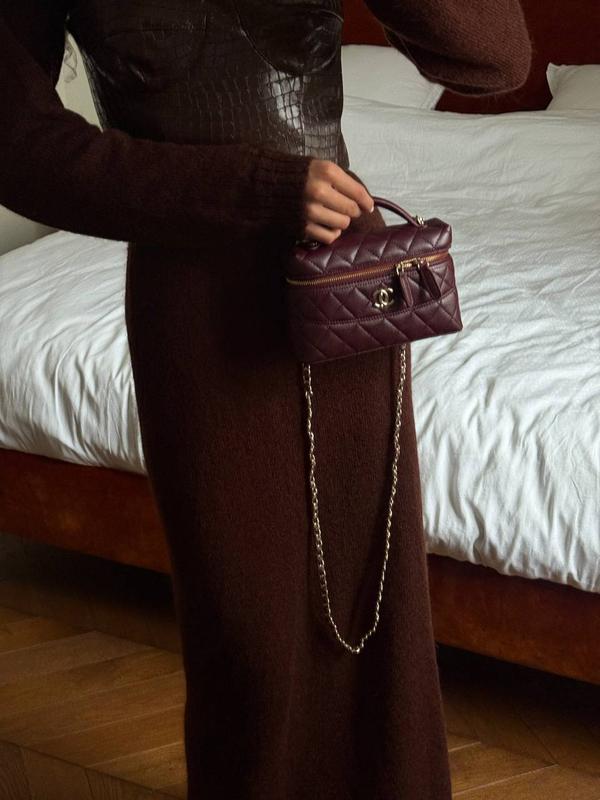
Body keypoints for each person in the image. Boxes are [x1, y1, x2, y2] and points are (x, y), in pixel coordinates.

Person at [0, 1, 532, 797]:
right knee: (247, 639)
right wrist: (257, 189)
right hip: (196, 309)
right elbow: (19, 148)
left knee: (375, 624)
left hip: (344, 294)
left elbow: (498, 60)